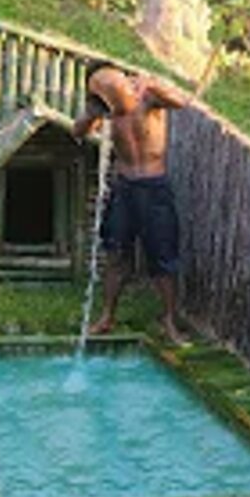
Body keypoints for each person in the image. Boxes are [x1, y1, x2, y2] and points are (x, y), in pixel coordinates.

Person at [71, 61, 193, 345]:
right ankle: (107, 317)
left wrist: (152, 83)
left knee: (163, 258)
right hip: (124, 189)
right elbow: (77, 133)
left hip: (155, 188)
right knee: (115, 255)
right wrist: (90, 115)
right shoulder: (107, 109)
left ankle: (169, 321)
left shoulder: (147, 97)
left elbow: (182, 101)